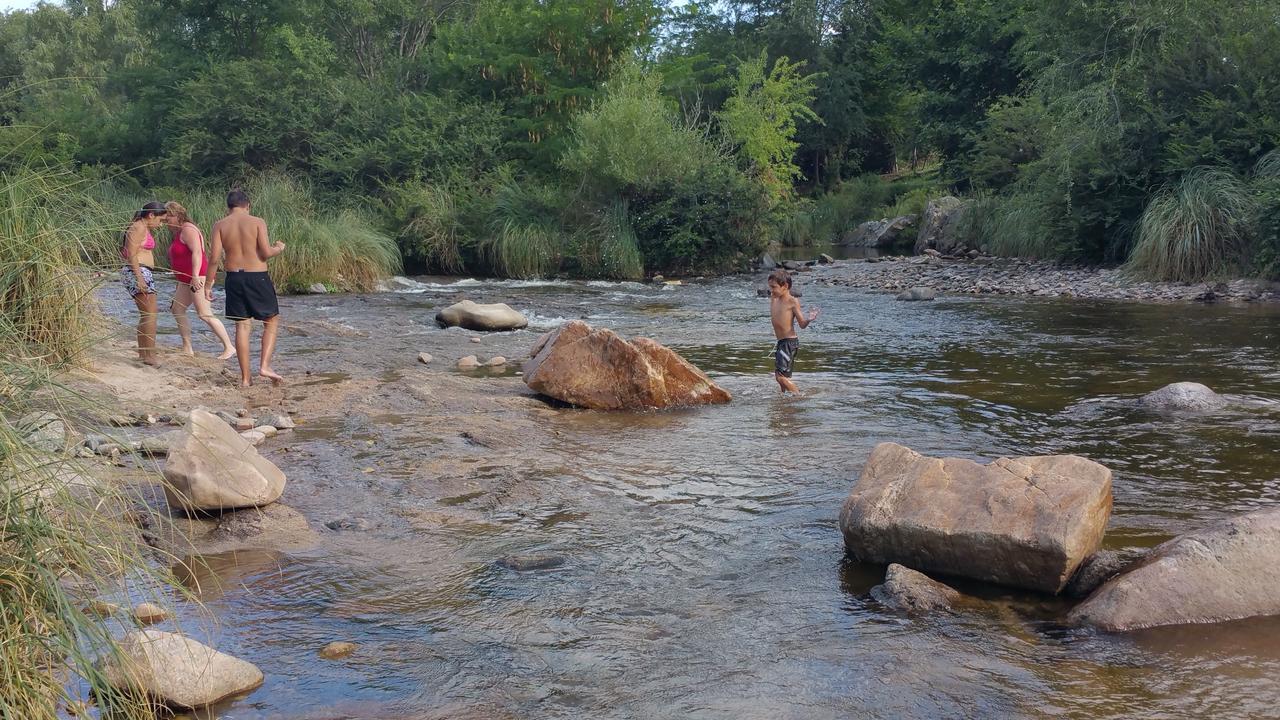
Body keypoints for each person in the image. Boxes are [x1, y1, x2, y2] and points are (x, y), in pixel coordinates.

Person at [205, 189, 286, 387]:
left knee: (242, 325)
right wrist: (279, 248)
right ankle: (265, 366)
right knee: (272, 319)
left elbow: (214, 258)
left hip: (233, 278)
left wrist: (208, 284)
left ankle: (245, 379)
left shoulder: (219, 225)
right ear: (247, 205)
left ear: (228, 207)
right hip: (257, 276)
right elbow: (265, 252)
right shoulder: (257, 221)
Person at [165, 201, 235, 359]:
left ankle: (229, 347)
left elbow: (197, 252)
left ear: (177, 216)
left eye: (168, 217)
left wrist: (195, 276)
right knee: (177, 309)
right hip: (185, 279)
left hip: (196, 278)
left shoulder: (188, 229)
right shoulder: (179, 231)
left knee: (204, 313)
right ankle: (187, 347)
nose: (165, 221)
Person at [121, 201, 167, 366]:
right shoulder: (138, 227)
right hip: (138, 271)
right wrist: (139, 278)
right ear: (151, 215)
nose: (160, 225)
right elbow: (131, 254)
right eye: (160, 220)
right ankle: (149, 356)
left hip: (141, 271)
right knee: (151, 314)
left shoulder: (141, 226)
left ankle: (144, 354)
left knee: (147, 314)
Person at [767, 268, 819, 393]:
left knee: (780, 377)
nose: (771, 290)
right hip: (781, 343)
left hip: (789, 343)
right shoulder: (774, 298)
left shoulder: (792, 302)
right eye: (770, 287)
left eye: (773, 287)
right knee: (780, 376)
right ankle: (784, 401)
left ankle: (799, 397)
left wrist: (809, 319)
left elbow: (801, 324)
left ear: (785, 286)